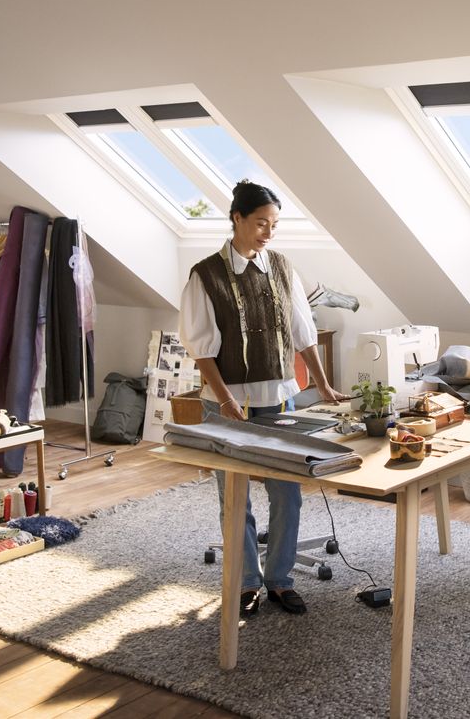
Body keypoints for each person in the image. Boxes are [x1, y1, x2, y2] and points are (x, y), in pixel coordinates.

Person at [179, 180, 349, 616]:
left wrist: (323, 384)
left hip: (278, 395)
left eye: (273, 224)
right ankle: (246, 583)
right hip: (226, 402)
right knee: (234, 496)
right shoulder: (205, 275)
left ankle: (279, 579)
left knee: (287, 491)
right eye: (260, 223)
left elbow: (301, 331)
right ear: (236, 218)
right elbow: (202, 349)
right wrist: (226, 401)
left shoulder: (280, 266)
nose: (267, 233)